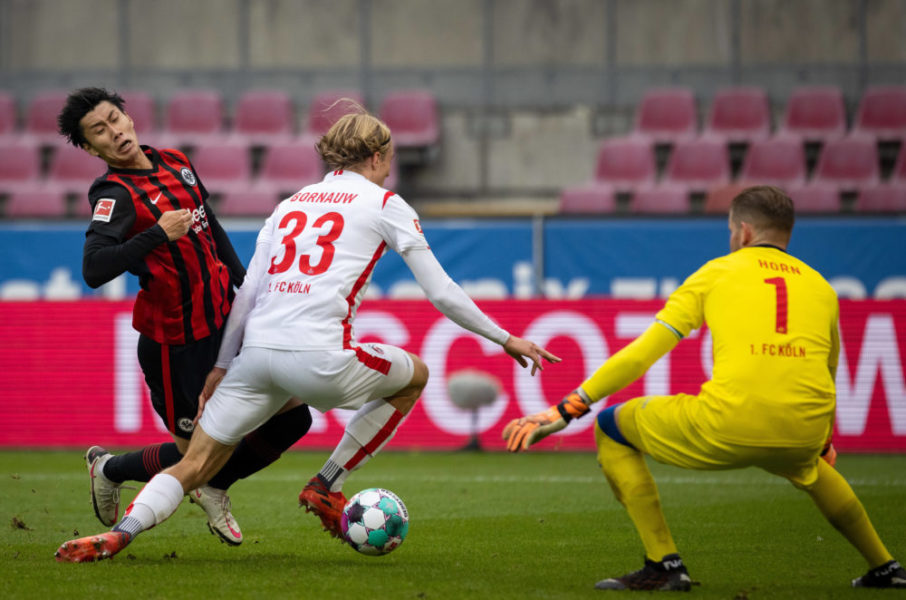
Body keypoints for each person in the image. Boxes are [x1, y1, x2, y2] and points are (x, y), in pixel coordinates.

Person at [54, 106, 561, 563]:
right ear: (379, 155)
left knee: (195, 465)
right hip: (319, 359)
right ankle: (327, 484)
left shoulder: (289, 204)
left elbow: (248, 292)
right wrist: (504, 338)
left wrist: (223, 366)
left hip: (254, 356)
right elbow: (442, 291)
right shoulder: (386, 203)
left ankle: (121, 534)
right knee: (414, 378)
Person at [502, 186, 905, 591]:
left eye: (731, 230)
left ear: (744, 232)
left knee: (611, 426)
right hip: (803, 427)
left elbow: (643, 354)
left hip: (728, 423)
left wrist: (566, 409)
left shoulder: (717, 272)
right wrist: (822, 439)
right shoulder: (821, 287)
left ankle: (664, 563)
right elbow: (828, 370)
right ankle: (885, 567)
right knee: (812, 469)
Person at [55, 87, 314, 547]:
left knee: (294, 419)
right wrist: (156, 234)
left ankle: (214, 484)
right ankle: (110, 469)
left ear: (129, 118)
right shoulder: (113, 195)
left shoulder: (175, 161)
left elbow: (208, 224)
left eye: (115, 119)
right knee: (192, 454)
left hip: (224, 326)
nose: (114, 132)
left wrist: (246, 289)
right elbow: (94, 269)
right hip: (175, 345)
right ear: (92, 148)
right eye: (99, 130)